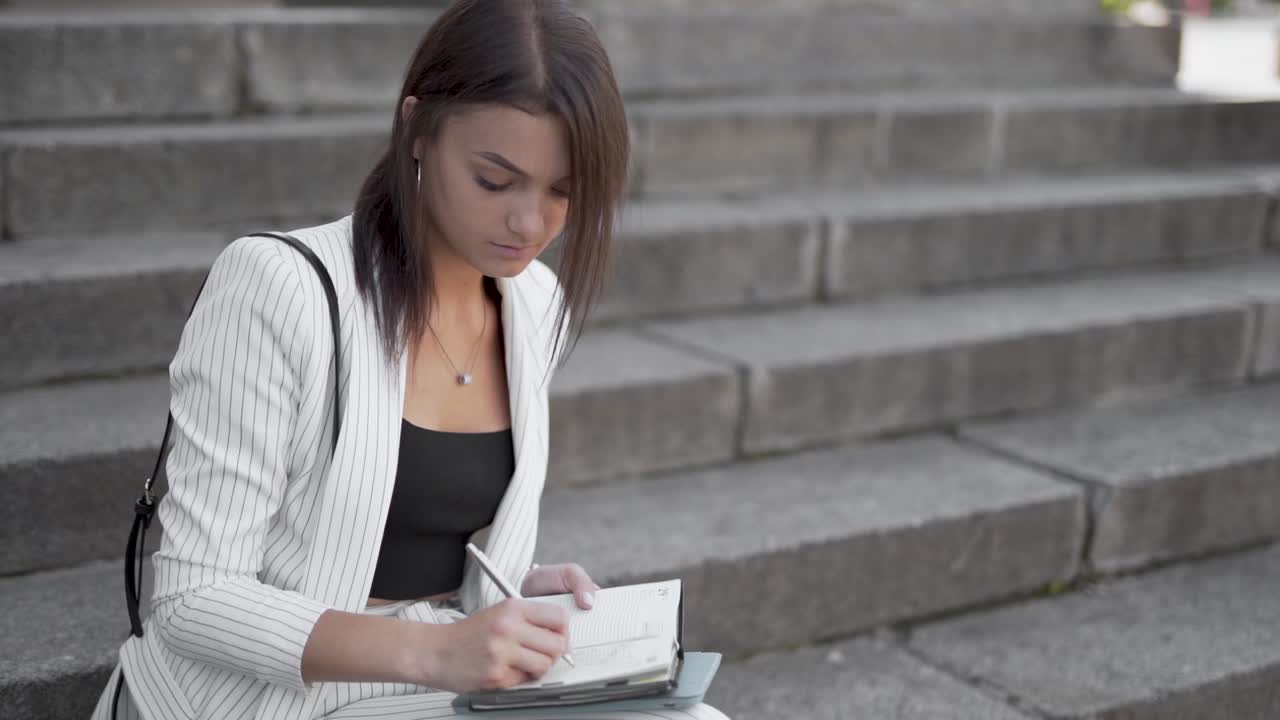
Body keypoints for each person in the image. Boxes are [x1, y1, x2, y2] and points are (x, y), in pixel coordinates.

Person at [90, 1, 729, 718]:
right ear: (417, 128)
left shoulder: (533, 302)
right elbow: (193, 599)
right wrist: (438, 653)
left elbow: (426, 539)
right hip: (271, 698)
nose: (529, 223)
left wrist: (511, 594)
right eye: (495, 180)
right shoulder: (280, 289)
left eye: (563, 192)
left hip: (432, 684)